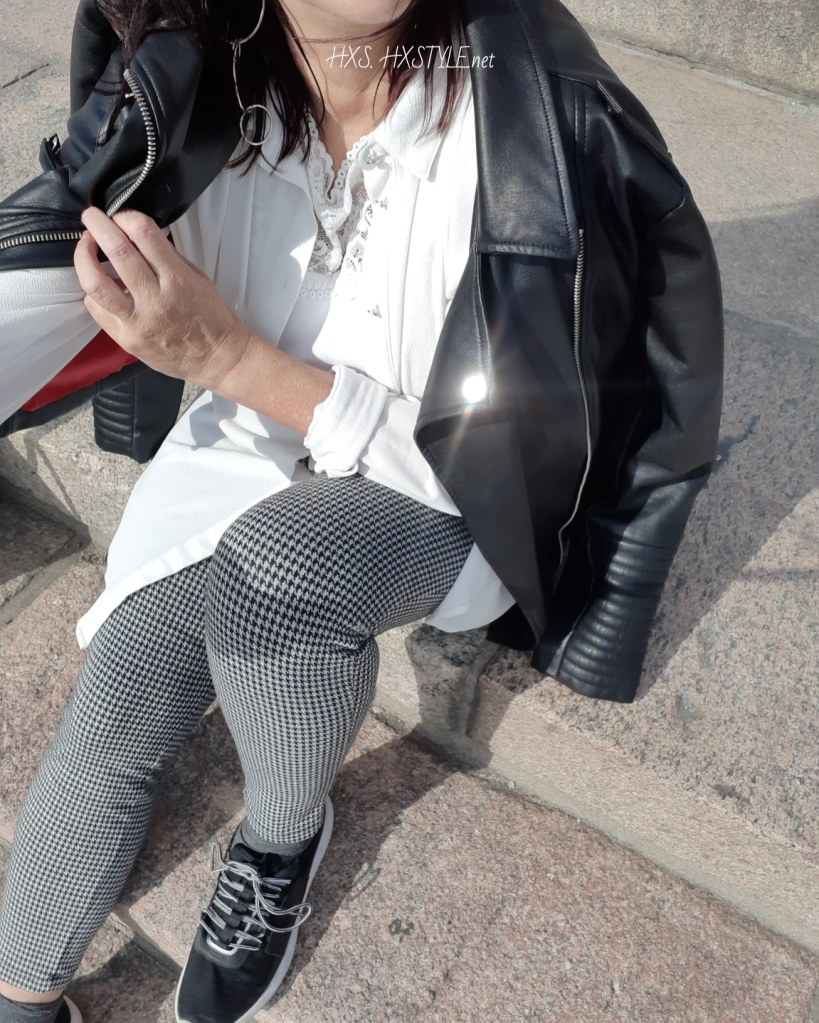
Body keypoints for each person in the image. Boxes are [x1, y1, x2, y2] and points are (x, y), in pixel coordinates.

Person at [0, 0, 724, 1020]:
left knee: (275, 574)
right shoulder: (190, 75)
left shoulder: (532, 122)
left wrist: (232, 358)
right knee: (122, 684)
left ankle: (281, 841)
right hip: (247, 444)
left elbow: (510, 461)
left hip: (439, 491)